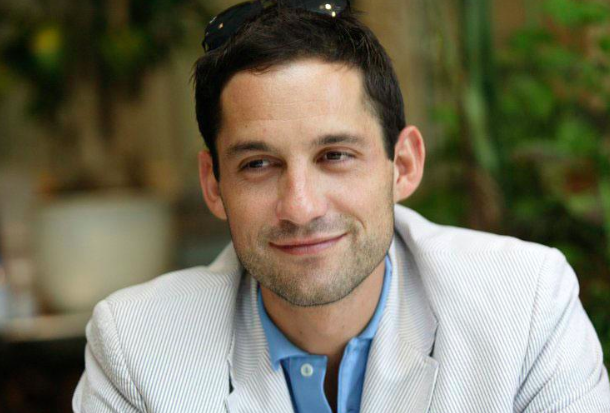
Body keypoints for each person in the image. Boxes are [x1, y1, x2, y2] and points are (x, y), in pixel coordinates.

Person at [72, 1, 610, 412]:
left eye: (335, 156)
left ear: (403, 165)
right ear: (214, 186)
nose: (300, 207)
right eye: (258, 164)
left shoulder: (525, 305)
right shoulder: (137, 348)